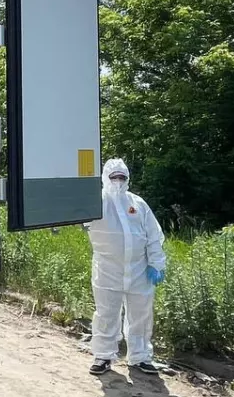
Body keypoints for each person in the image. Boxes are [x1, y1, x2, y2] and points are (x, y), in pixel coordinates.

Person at [87, 158, 166, 376]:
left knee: (141, 315)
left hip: (139, 271)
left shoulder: (138, 203)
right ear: (105, 178)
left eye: (122, 177)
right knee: (106, 314)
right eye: (114, 177)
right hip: (107, 271)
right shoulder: (96, 202)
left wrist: (157, 263)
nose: (118, 181)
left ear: (128, 178)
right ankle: (103, 356)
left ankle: (140, 357)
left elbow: (153, 235)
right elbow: (77, 217)